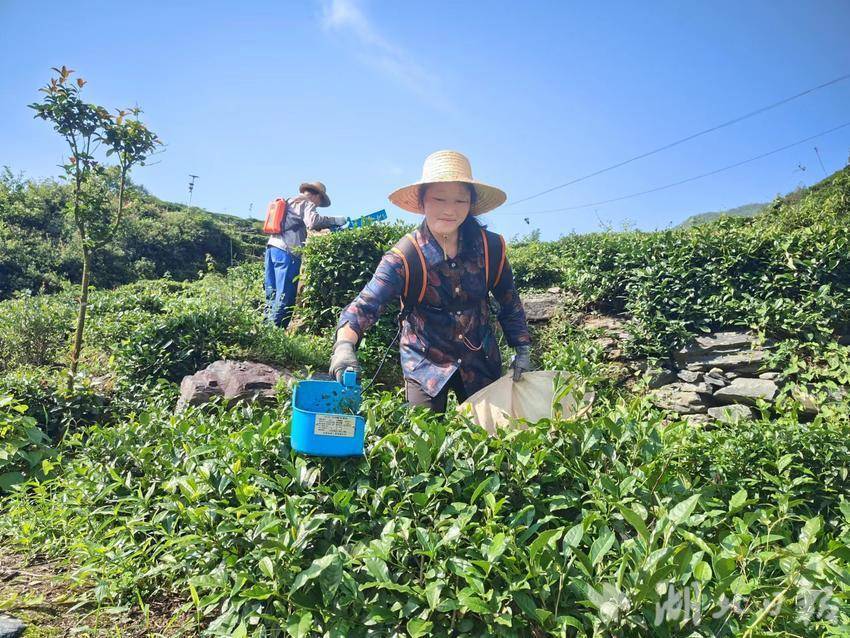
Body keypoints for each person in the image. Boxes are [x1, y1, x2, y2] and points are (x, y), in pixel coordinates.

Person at [329, 150, 532, 414]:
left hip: (480, 358)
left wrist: (522, 347)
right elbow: (366, 305)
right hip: (424, 362)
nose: (450, 210)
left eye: (461, 200)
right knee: (424, 439)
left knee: (489, 440)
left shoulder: (490, 248)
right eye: (439, 199)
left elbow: (508, 299)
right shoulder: (406, 255)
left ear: (471, 204)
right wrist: (344, 345)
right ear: (423, 201)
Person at [265, 181, 347, 329]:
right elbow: (313, 222)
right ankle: (275, 333)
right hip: (287, 251)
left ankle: (264, 330)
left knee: (272, 294)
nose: (318, 204)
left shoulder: (289, 200)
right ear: (317, 196)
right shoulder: (307, 202)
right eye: (320, 201)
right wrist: (334, 220)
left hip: (272, 248)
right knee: (285, 296)